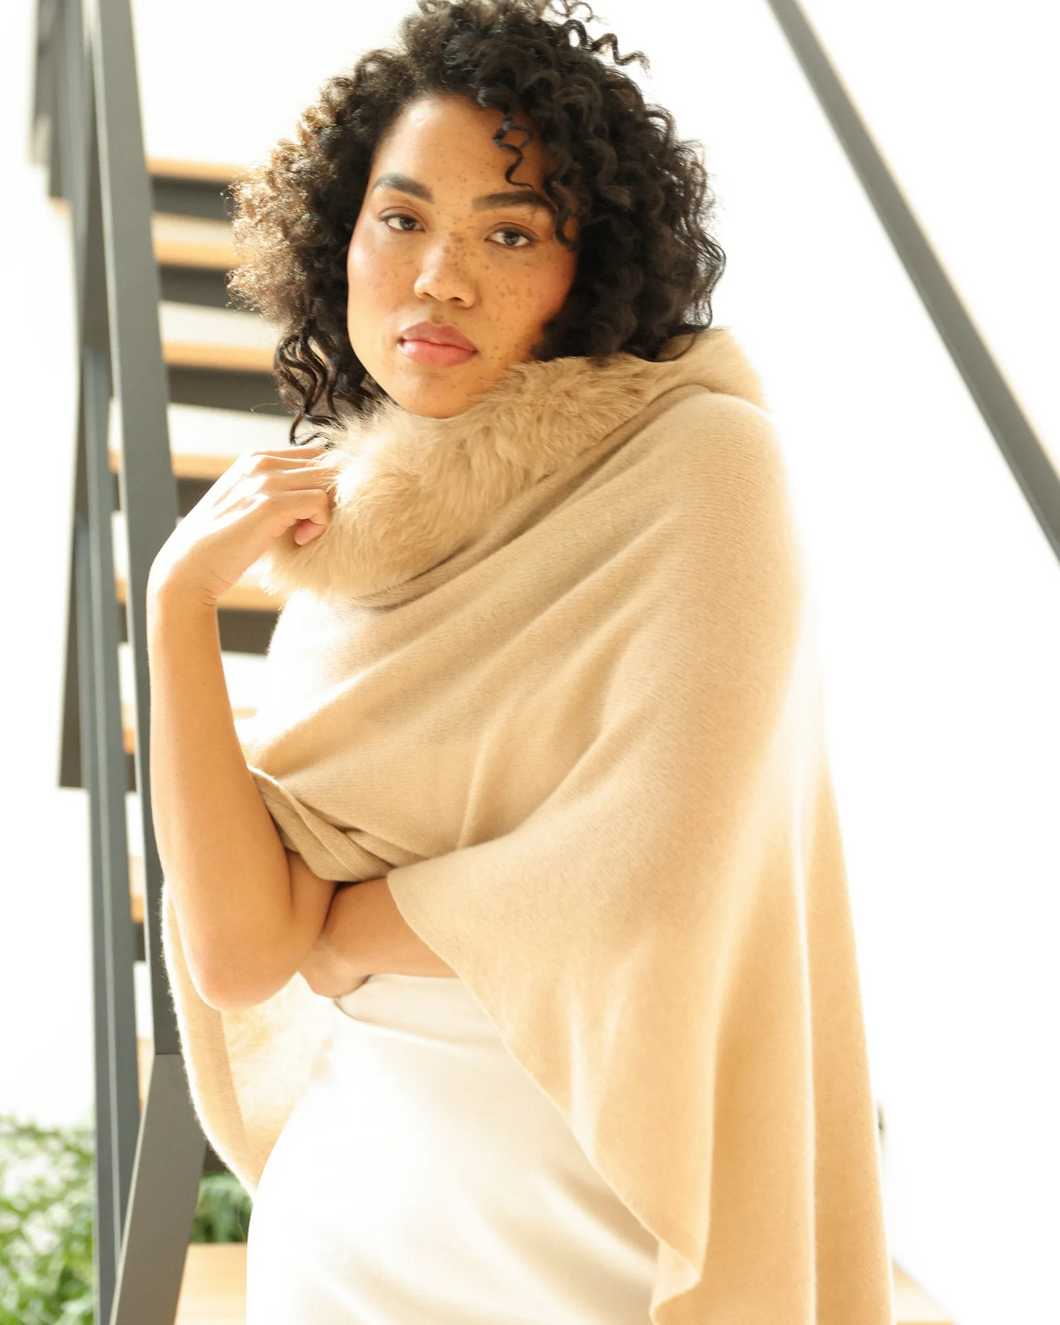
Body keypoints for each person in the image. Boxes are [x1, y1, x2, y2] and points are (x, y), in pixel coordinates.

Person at [152, 1, 895, 1322]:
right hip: (352, 1207)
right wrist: (176, 607)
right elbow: (239, 955)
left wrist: (344, 922)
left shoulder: (706, 465)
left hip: (586, 1182)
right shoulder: (347, 541)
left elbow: (655, 876)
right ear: (342, 234)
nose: (440, 275)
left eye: (510, 232)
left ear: (584, 270)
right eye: (402, 217)